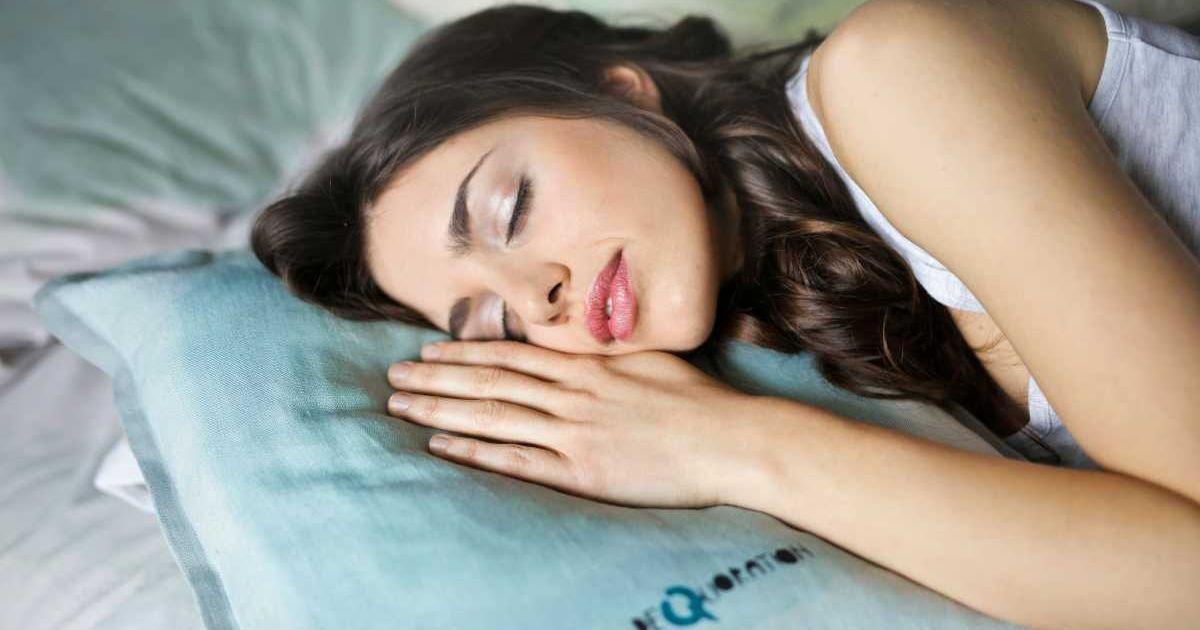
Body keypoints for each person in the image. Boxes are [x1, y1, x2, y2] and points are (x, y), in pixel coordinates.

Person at [250, 0, 1200, 627]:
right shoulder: (803, 318)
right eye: (493, 324)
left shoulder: (898, 68)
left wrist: (726, 447)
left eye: (508, 209)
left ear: (624, 95)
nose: (536, 295)